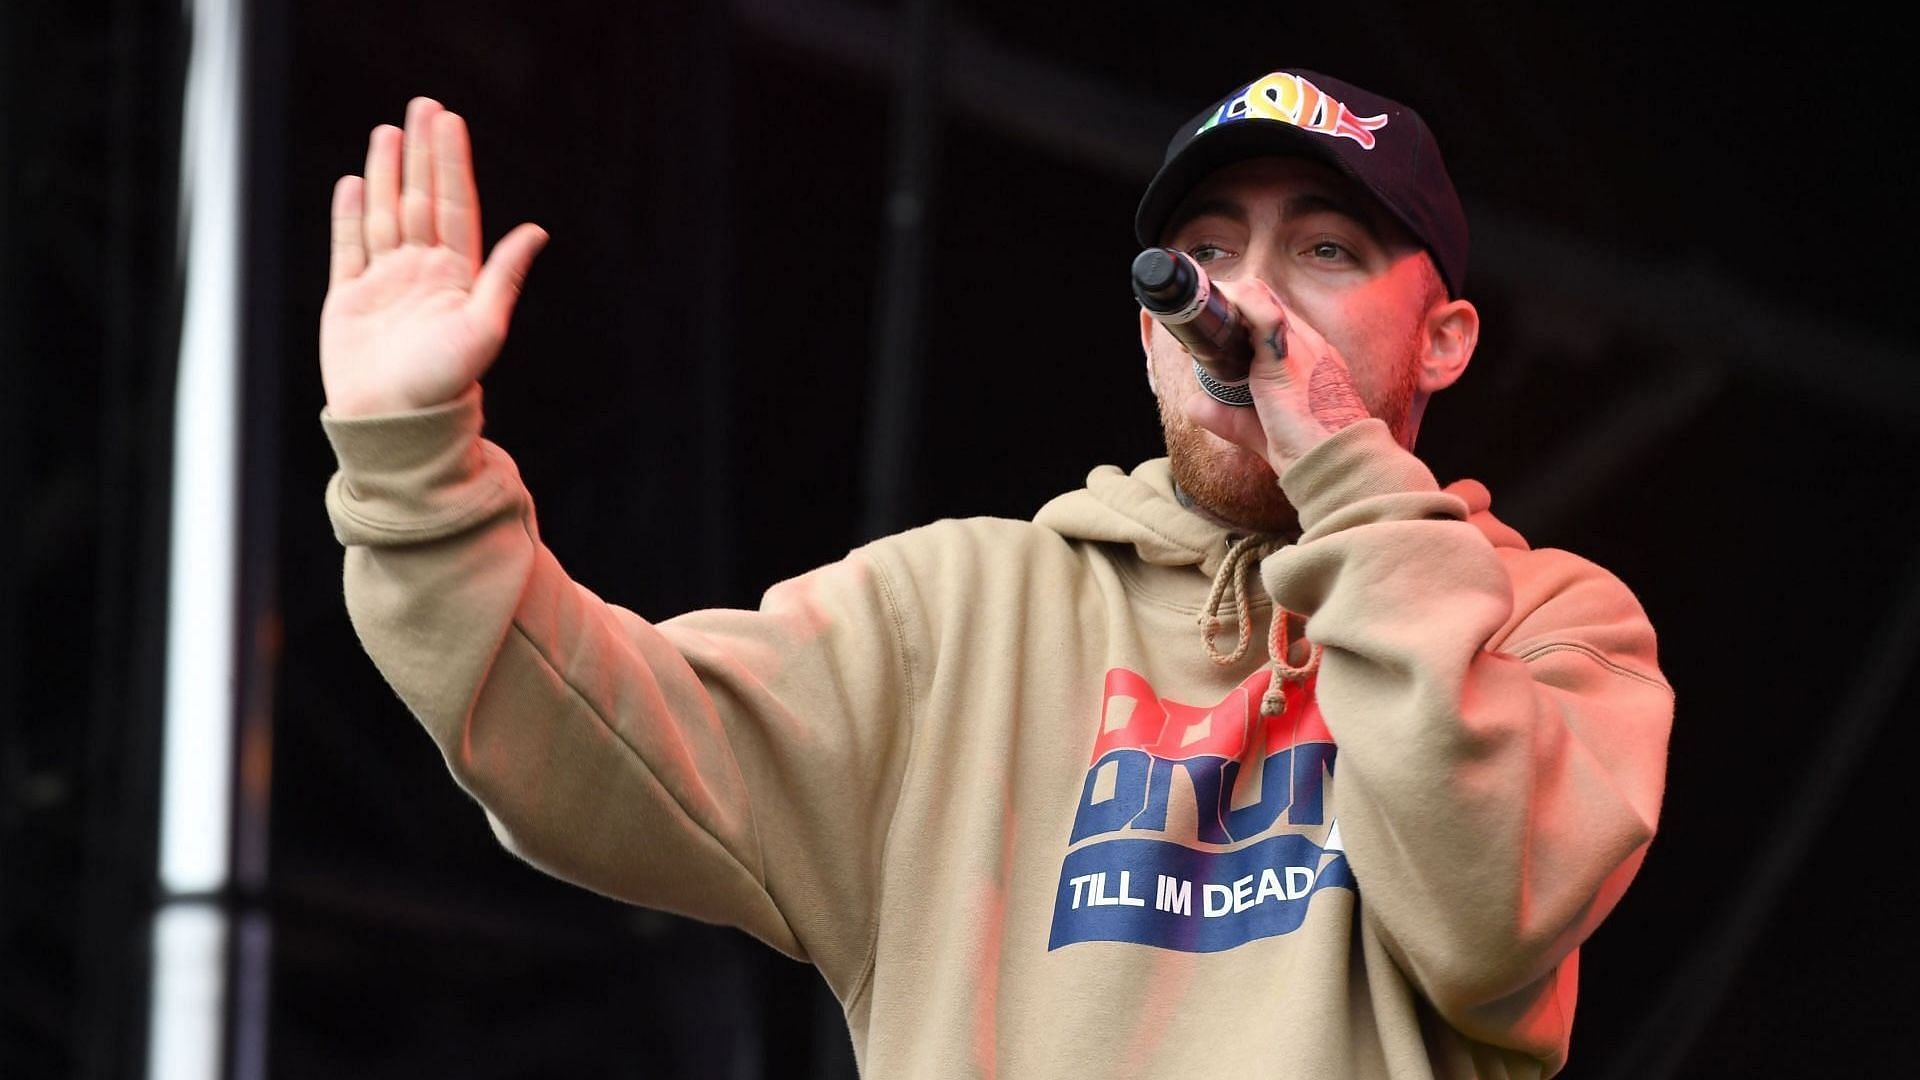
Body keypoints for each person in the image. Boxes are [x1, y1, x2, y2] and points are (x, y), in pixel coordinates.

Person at [319, 69, 1671, 1078]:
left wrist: (1348, 483)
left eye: (1324, 249)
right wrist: (415, 466)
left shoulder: (1545, 621)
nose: (1245, 299)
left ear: (1444, 340)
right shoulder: (955, 612)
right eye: (1204, 252)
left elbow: (1486, 918)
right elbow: (581, 735)